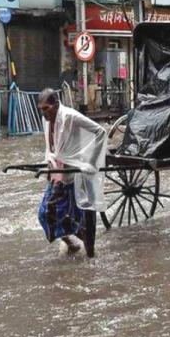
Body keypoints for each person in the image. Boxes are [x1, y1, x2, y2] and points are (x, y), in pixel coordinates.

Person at [37, 89, 107, 258]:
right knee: (46, 213)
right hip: (59, 173)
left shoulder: (70, 116)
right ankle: (71, 242)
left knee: (86, 216)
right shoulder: (46, 120)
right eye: (41, 109)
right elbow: (51, 148)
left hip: (78, 173)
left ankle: (91, 255)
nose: (43, 113)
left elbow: (100, 132)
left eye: (46, 108)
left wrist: (91, 163)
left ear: (55, 105)